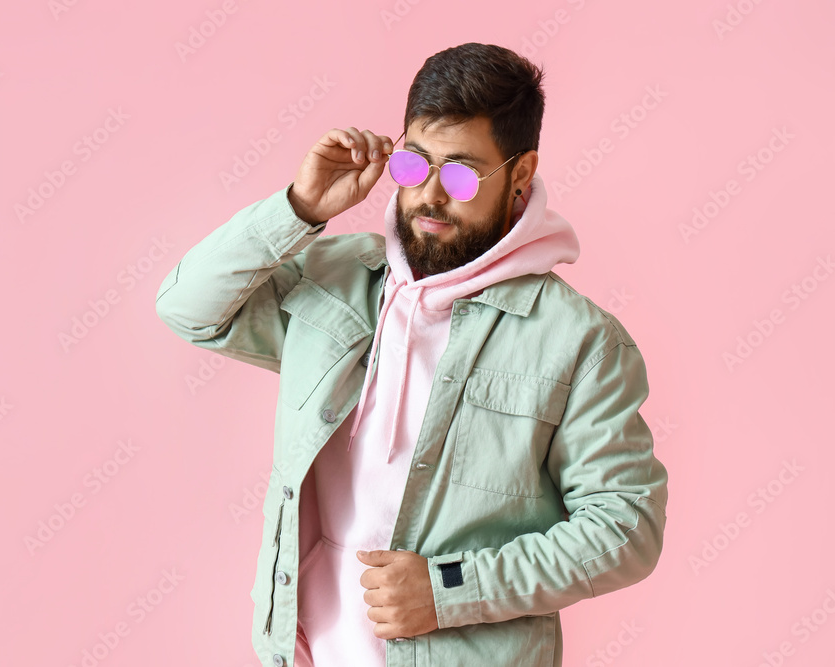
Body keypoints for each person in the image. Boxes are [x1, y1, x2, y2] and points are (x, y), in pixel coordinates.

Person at [155, 42, 669, 667]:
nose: (429, 195)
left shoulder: (580, 341)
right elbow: (188, 307)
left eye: (459, 174)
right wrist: (301, 208)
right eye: (414, 164)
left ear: (521, 175)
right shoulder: (337, 280)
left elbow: (626, 529)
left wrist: (451, 590)